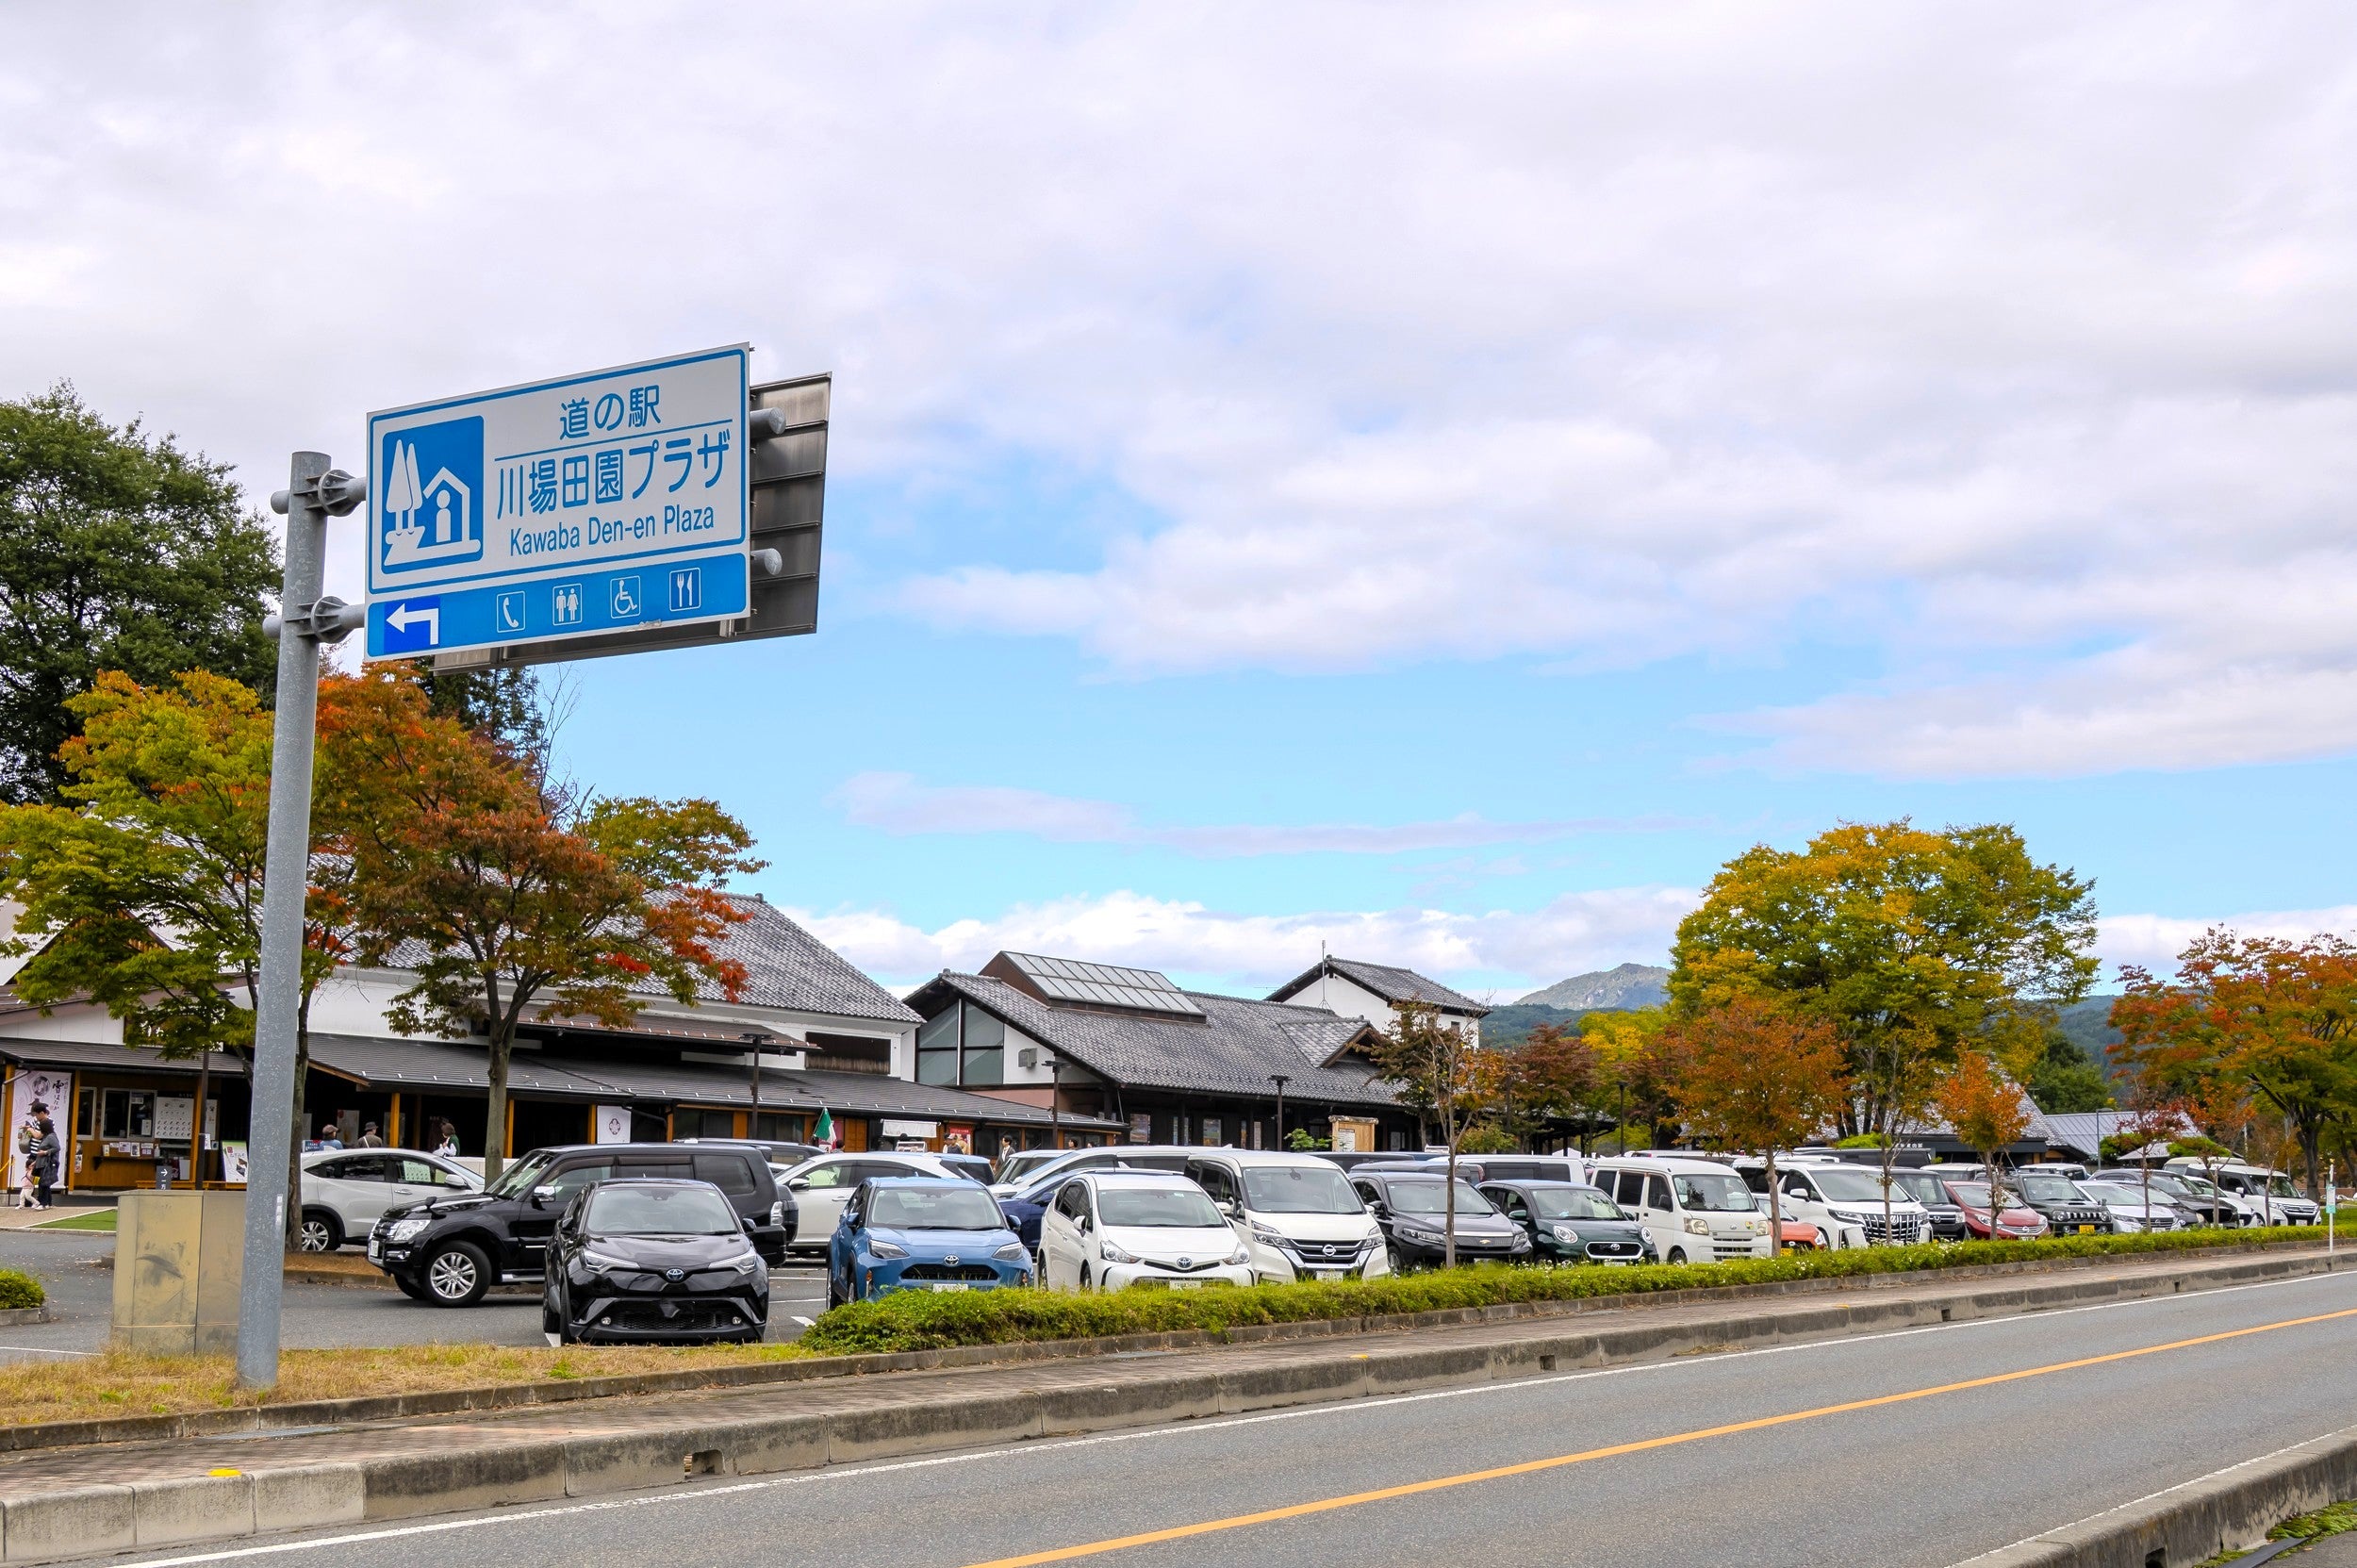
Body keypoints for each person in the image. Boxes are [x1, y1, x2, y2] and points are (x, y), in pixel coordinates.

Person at [27, 1114, 60, 1211]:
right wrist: (36, 1161)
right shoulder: (46, 1136)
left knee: (43, 1183)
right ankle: (47, 1203)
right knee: (45, 1183)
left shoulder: (51, 1137)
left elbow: (57, 1148)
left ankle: (43, 1203)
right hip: (42, 1162)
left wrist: (46, 1152)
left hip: (48, 1163)